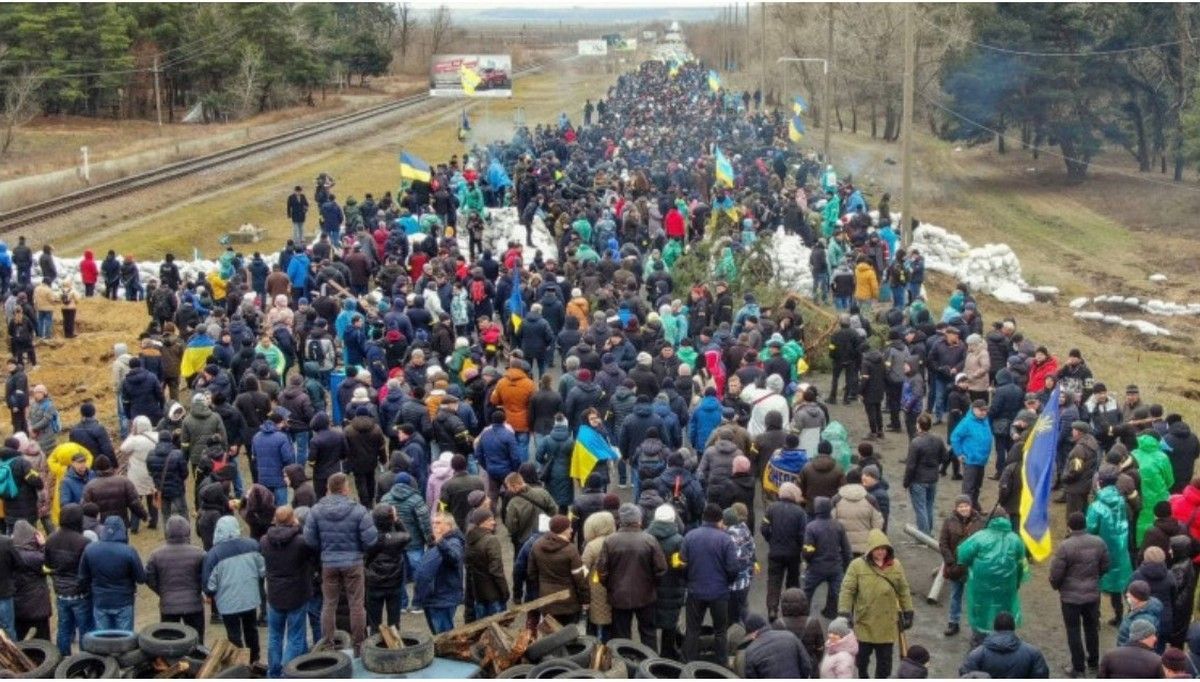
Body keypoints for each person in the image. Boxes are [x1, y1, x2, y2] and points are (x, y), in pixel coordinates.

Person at [304, 472, 378, 651]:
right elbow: (371, 539)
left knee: (329, 604)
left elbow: (309, 539)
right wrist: (358, 550)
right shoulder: (359, 510)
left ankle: (328, 643)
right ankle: (359, 645)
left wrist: (324, 549)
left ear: (328, 488)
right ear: (345, 488)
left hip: (329, 562)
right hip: (353, 562)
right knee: (357, 605)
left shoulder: (316, 510)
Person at [838, 528, 913, 678]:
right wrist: (844, 611)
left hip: (887, 624)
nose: (880, 552)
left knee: (885, 664)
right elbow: (847, 590)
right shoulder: (857, 565)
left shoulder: (896, 565)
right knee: (862, 660)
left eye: (883, 549)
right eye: (877, 549)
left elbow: (903, 589)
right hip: (865, 622)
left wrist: (908, 611)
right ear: (870, 549)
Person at [1049, 510, 1111, 677]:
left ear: (1069, 527)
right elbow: (1106, 566)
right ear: (1085, 524)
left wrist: (1057, 586)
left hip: (1070, 598)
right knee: (1091, 629)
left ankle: (1078, 668)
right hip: (1092, 595)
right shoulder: (1099, 542)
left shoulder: (1065, 546)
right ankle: (1093, 663)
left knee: (1073, 631)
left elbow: (1056, 574)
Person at [597, 503, 667, 645]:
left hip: (619, 596)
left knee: (621, 637)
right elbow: (661, 569)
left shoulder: (610, 541)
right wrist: (652, 585)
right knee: (648, 634)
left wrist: (610, 585)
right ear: (638, 520)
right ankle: (651, 663)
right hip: (645, 596)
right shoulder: (649, 540)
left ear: (621, 521)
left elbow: (602, 570)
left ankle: (625, 663)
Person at [957, 510, 1028, 645]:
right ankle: (1004, 642)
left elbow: (962, 555)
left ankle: (979, 643)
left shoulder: (979, 536)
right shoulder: (1015, 539)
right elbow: (1021, 566)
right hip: (1007, 587)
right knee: (1004, 612)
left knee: (980, 612)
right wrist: (1017, 583)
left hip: (980, 585)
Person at [261, 505, 316, 678]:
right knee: (295, 636)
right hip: (297, 595)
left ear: (275, 520)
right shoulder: (301, 542)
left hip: (275, 595)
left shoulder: (264, 541)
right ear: (293, 519)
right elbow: (314, 557)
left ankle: (274, 672)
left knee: (274, 636)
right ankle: (287, 673)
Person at [204, 515, 266, 666]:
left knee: (234, 634)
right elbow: (263, 570)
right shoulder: (252, 545)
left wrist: (210, 594)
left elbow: (209, 585)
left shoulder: (214, 554)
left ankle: (239, 664)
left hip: (227, 603)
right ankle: (255, 659)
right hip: (250, 599)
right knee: (251, 629)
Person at [681, 502, 739, 662]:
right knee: (720, 631)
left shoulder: (690, 536)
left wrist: (689, 581)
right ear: (720, 520)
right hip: (719, 593)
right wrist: (726, 583)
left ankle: (689, 664)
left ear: (703, 518)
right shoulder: (726, 540)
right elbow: (733, 569)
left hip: (695, 592)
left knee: (692, 630)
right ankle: (721, 664)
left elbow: (682, 564)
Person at [146, 515, 208, 640]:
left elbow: (149, 578)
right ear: (187, 530)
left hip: (168, 606)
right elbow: (206, 576)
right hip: (194, 604)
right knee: (197, 642)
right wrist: (198, 590)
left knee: (170, 643)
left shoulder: (155, 555)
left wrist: (162, 592)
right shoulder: (199, 553)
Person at [78, 516, 145, 630]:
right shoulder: (128, 551)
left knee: (103, 640)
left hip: (100, 600)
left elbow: (83, 577)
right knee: (124, 641)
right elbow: (141, 578)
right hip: (124, 601)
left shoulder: (90, 549)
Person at [44, 503, 92, 654]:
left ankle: (62, 661)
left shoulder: (50, 539)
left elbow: (47, 565)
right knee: (85, 630)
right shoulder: (84, 542)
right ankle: (86, 660)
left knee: (63, 629)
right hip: (81, 594)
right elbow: (87, 569)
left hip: (61, 593)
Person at [1090, 468, 1134, 625]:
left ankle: (1095, 619)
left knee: (1096, 586)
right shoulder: (1122, 501)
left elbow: (1090, 528)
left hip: (1100, 552)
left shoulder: (1096, 506)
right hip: (1121, 550)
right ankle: (1121, 615)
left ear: (1100, 482)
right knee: (1120, 584)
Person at [530, 514, 589, 626]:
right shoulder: (571, 550)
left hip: (546, 600)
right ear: (563, 530)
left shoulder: (536, 546)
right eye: (569, 527)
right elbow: (580, 579)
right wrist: (585, 600)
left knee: (550, 636)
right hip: (568, 603)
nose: (571, 530)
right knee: (568, 636)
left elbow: (531, 573)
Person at [414, 511, 466, 634]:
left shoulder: (453, 542)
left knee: (444, 637)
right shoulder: (435, 542)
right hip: (432, 599)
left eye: (438, 523)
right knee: (437, 636)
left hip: (442, 599)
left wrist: (441, 542)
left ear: (449, 525)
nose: (434, 526)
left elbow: (454, 557)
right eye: (432, 523)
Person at [762, 481, 807, 621]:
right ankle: (791, 610)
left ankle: (772, 609)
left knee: (774, 581)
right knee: (792, 581)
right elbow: (802, 534)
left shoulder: (771, 509)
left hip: (775, 552)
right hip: (793, 554)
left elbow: (764, 528)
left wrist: (771, 540)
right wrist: (801, 549)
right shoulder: (800, 512)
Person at [959, 612, 1050, 678]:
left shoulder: (977, 654)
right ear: (1013, 628)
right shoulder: (1033, 653)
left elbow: (965, 674)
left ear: (994, 628)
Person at [464, 507, 508, 619]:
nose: (493, 522)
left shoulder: (469, 539)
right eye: (489, 520)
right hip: (494, 595)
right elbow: (496, 570)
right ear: (480, 522)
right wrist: (504, 591)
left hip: (479, 595)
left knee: (483, 631)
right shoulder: (491, 540)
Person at [904, 413, 945, 534]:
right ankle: (928, 531)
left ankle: (923, 534)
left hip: (918, 479)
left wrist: (906, 482)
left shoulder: (916, 442)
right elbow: (945, 457)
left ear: (918, 425)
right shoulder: (938, 439)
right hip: (933, 478)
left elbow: (910, 466)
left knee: (920, 507)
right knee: (929, 506)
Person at [742, 612, 812, 678]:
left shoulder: (750, 651)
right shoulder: (789, 636)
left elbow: (751, 676)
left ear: (753, 633)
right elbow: (807, 666)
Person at [950, 399, 992, 509]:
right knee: (968, 488)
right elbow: (955, 437)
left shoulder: (985, 420)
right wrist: (959, 453)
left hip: (982, 460)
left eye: (985, 410)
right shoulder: (967, 422)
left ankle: (974, 505)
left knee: (977, 486)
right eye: (981, 410)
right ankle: (965, 509)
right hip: (970, 460)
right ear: (974, 409)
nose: (983, 412)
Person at [11, 520, 50, 640]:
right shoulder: (36, 557)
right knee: (43, 642)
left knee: (21, 639)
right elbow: (51, 566)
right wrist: (43, 546)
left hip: (17, 606)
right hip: (37, 607)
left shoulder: (10, 553)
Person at [1099, 617, 1163, 678]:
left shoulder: (1109, 655)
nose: (1155, 638)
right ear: (1144, 636)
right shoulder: (1157, 661)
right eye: (1153, 635)